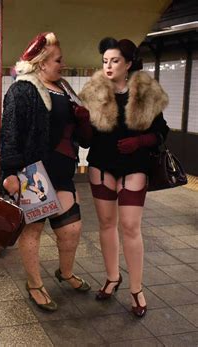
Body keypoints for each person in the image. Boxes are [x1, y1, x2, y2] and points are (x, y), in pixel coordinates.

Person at [0, 32, 92, 312]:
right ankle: (35, 284)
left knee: (72, 229)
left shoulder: (64, 87)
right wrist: (11, 172)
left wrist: (84, 120)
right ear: (41, 63)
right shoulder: (23, 89)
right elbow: (10, 132)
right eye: (58, 60)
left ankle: (64, 273)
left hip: (62, 170)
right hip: (33, 172)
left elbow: (81, 132)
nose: (62, 65)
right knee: (34, 231)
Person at [78, 37, 169, 318]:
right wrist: (82, 120)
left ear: (128, 64)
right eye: (105, 61)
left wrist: (140, 142)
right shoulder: (94, 92)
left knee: (130, 227)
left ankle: (136, 289)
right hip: (101, 166)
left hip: (134, 168)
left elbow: (162, 132)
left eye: (114, 60)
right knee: (106, 224)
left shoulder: (145, 92)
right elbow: (85, 141)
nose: (108, 66)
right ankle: (112, 277)